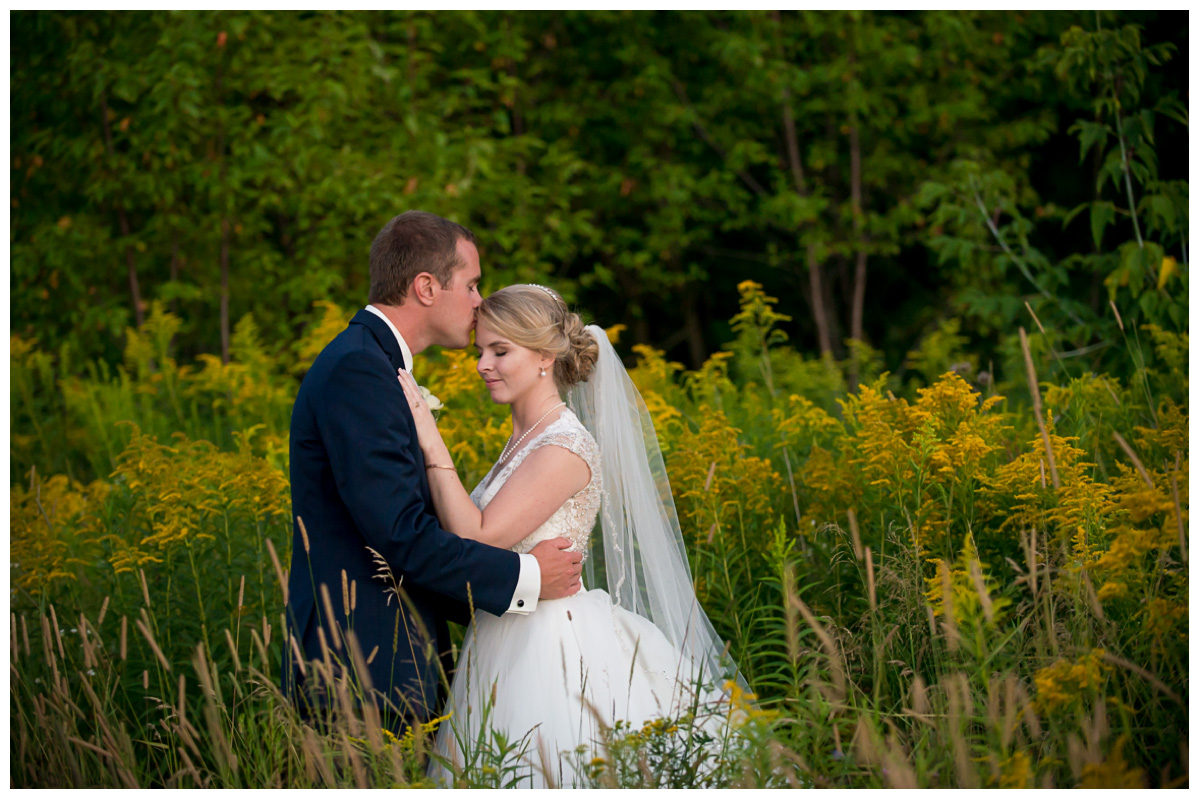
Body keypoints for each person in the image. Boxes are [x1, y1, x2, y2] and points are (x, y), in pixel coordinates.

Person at [396, 284, 744, 788]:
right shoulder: (525, 437)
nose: (482, 365)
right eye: (481, 352)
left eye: (500, 350)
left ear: (543, 356)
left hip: (551, 643)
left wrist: (429, 437)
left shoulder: (563, 446)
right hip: (503, 633)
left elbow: (478, 535)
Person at [283, 212, 584, 734]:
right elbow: (400, 535)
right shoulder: (360, 369)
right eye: (470, 285)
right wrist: (528, 577)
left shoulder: (371, 363)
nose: (477, 302)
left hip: (386, 662)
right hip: (361, 670)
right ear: (426, 287)